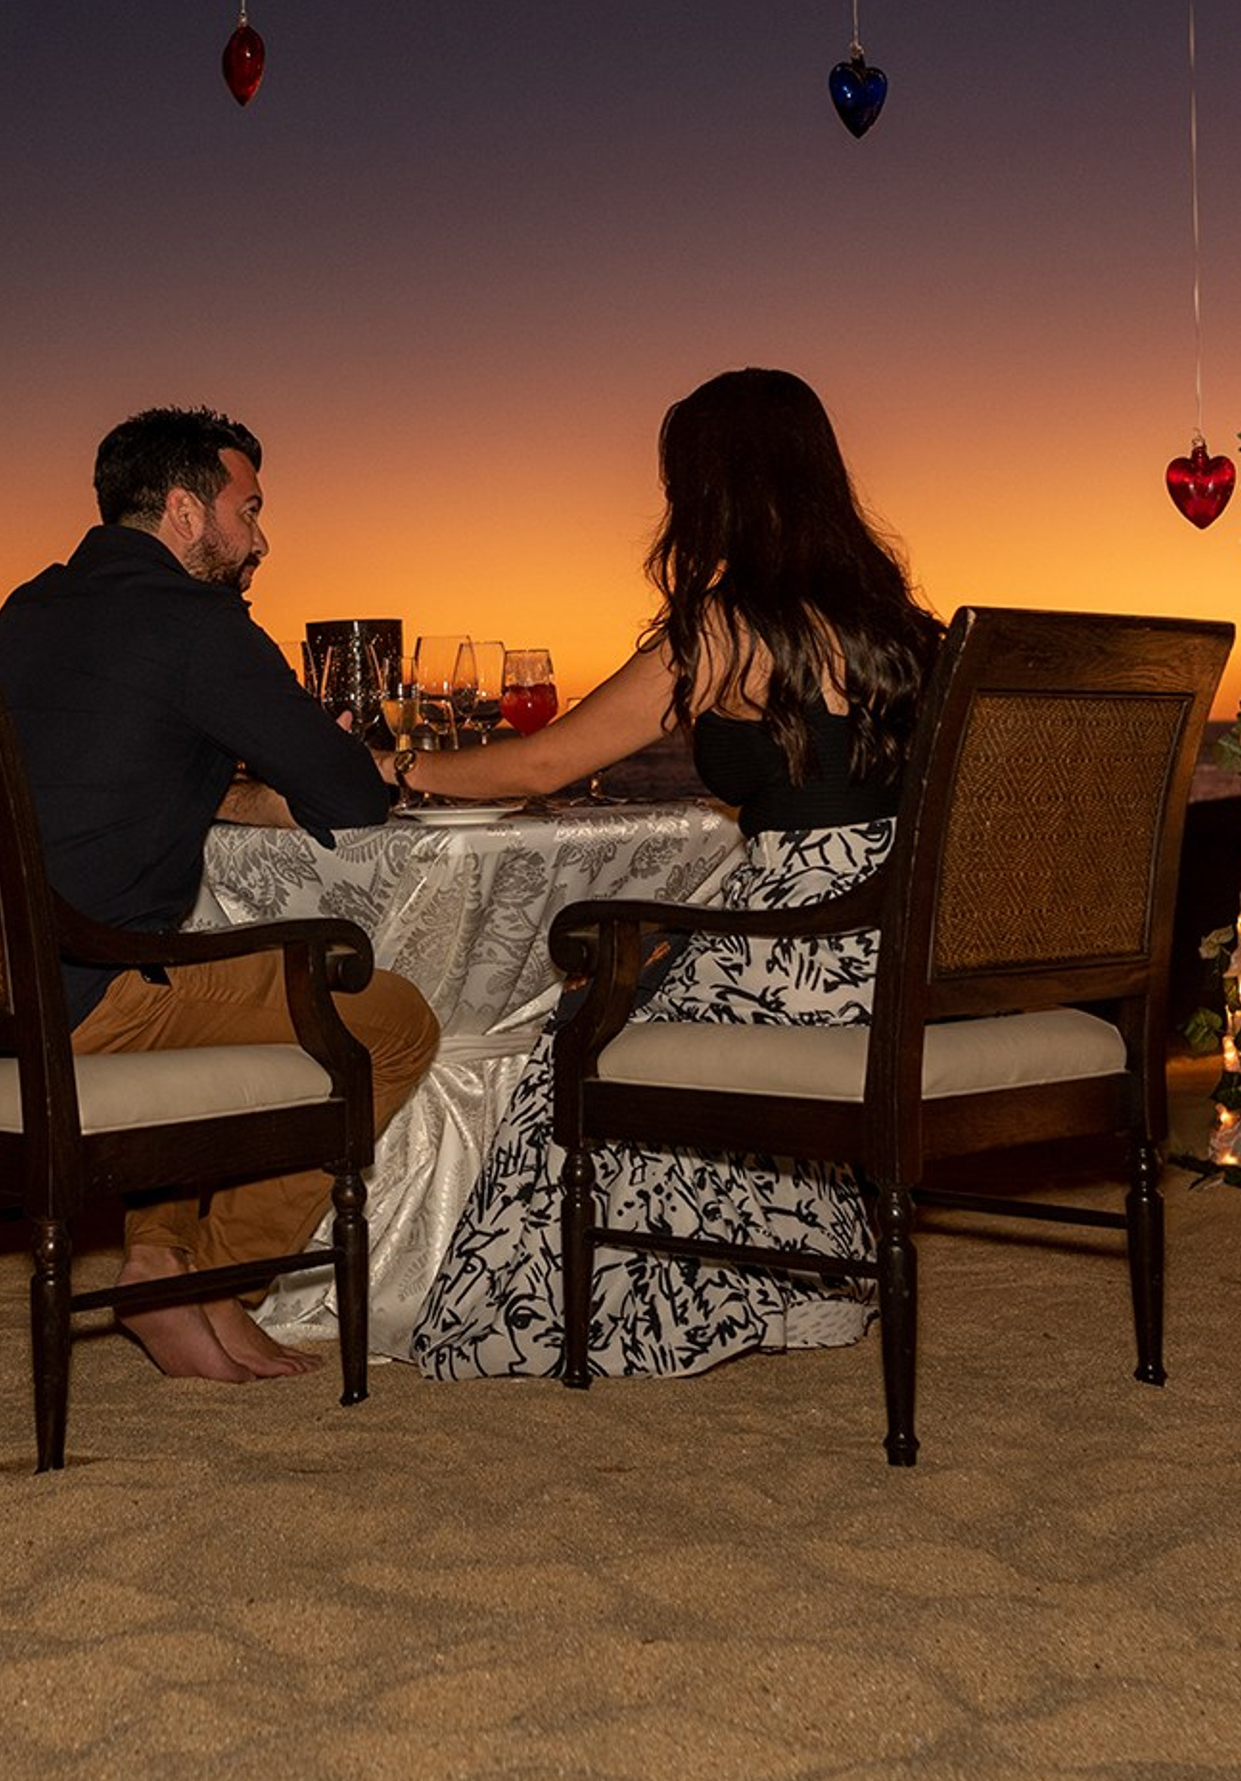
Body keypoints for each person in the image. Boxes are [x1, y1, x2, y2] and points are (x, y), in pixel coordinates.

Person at [397, 366, 943, 1380]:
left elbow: (544, 762)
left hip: (803, 946)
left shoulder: (726, 625)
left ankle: (568, 1316)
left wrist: (402, 767)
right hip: (901, 946)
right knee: (663, 976)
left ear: (711, 488)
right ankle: (784, 1280)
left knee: (578, 1041)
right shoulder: (903, 628)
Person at [0, 405, 439, 1385]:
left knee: (204, 976)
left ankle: (157, 1258)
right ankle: (216, 1278)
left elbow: (91, 769)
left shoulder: (27, 610)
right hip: (86, 998)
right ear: (187, 512)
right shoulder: (196, 624)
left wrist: (223, 790)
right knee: (389, 1017)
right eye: (251, 509)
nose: (262, 538)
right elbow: (352, 794)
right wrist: (268, 790)